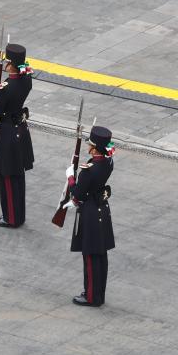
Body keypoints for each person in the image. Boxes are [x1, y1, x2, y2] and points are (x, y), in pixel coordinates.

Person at [63, 126, 115, 307]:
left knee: (91, 257)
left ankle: (91, 297)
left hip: (91, 213)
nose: (88, 148)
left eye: (91, 145)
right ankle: (98, 293)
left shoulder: (89, 171)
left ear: (95, 149)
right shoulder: (108, 162)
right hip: (102, 209)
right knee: (100, 256)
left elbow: (76, 194)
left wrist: (71, 177)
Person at [0, 43, 34, 228]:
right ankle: (19, 215)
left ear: (11, 65)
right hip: (20, 131)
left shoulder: (5, 88)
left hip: (7, 134)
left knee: (7, 178)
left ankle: (11, 217)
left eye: (7, 62)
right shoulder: (26, 80)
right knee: (18, 177)